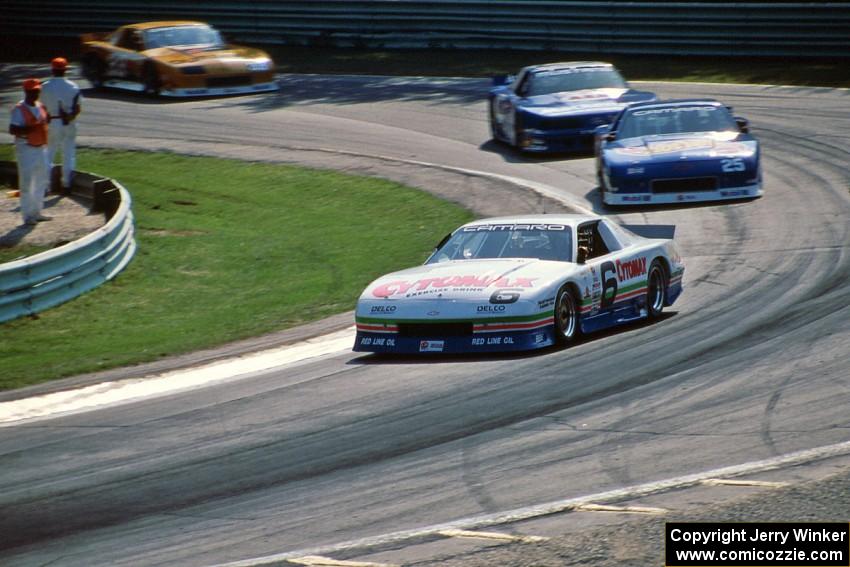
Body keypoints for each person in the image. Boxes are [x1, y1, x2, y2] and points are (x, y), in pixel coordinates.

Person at [8, 78, 51, 225]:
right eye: (33, 91)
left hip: (41, 147)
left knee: (41, 180)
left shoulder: (41, 106)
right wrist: (31, 128)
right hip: (25, 148)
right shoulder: (19, 109)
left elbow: (47, 120)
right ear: (26, 92)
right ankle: (27, 215)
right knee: (27, 182)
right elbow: (13, 129)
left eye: (38, 91)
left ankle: (37, 212)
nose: (36, 94)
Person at [41, 56, 82, 192]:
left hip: (52, 122)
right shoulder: (73, 87)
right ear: (65, 70)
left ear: (52, 69)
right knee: (68, 154)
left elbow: (41, 108)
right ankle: (66, 185)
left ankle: (46, 186)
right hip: (69, 123)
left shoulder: (45, 87)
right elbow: (77, 108)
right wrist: (70, 117)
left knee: (48, 154)